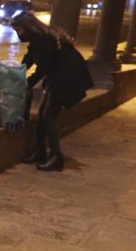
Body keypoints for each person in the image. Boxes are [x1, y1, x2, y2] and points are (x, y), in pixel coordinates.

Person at [11, 11, 93, 171]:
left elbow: (44, 67)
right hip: (58, 76)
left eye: (19, 30)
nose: (18, 34)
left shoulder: (45, 40)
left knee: (49, 115)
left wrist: (28, 83)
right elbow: (29, 59)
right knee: (43, 114)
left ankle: (56, 156)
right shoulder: (38, 39)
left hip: (66, 78)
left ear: (28, 27)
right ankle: (40, 151)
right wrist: (15, 74)